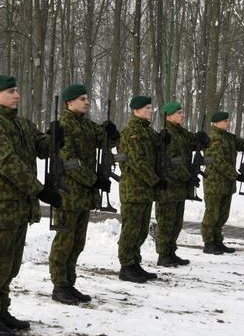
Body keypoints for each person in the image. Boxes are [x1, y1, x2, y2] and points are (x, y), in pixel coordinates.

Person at [0, 74, 60, 336]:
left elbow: (41, 147)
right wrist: (40, 189)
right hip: (0, 205)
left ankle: (2, 310)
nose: (16, 95)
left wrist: (55, 136)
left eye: (16, 90)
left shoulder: (21, 123)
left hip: (19, 206)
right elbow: (9, 164)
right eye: (10, 91)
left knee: (11, 263)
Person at [49, 84, 118, 305]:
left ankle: (69, 283)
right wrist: (93, 179)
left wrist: (112, 133)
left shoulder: (86, 125)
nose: (87, 102)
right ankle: (59, 285)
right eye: (82, 99)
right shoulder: (64, 126)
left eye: (87, 98)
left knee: (77, 243)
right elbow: (69, 161)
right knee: (64, 243)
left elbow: (106, 140)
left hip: (83, 195)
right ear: (69, 103)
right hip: (68, 193)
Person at [154, 101, 210, 266]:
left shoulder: (181, 132)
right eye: (179, 113)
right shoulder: (166, 134)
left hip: (180, 187)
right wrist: (188, 177)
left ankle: (171, 252)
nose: (182, 115)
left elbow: (194, 141)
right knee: (165, 222)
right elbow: (173, 161)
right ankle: (163, 255)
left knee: (176, 223)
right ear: (169, 116)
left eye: (182, 112)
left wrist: (203, 139)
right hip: (169, 186)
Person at [117, 96, 163, 283]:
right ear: (136, 110)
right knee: (131, 229)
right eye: (146, 108)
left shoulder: (147, 131)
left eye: (151, 107)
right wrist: (155, 180)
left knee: (141, 229)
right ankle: (126, 266)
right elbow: (137, 161)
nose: (150, 110)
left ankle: (135, 263)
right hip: (133, 189)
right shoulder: (131, 132)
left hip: (144, 190)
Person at [201, 111, 244, 254]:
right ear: (216, 123)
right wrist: (236, 176)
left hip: (226, 184)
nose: (228, 123)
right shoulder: (213, 138)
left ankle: (217, 241)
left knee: (222, 215)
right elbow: (218, 162)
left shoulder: (227, 137)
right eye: (225, 121)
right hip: (214, 183)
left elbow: (241, 144)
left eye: (228, 121)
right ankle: (208, 243)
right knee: (212, 215)